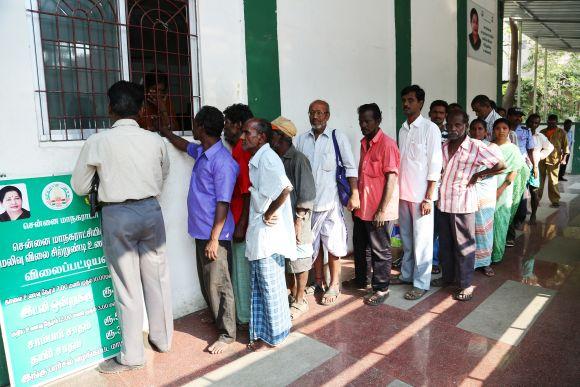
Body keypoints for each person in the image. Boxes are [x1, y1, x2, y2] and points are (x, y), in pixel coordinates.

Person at [71, 81, 173, 373]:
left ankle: (132, 356)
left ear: (110, 108)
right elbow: (164, 173)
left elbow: (79, 186)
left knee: (127, 287)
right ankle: (163, 339)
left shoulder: (97, 142)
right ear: (141, 109)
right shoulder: (154, 140)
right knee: (158, 279)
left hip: (118, 216)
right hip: (152, 211)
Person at [160, 106, 238, 355]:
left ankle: (227, 334)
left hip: (215, 234)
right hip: (201, 231)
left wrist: (214, 239)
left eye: (194, 123)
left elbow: (223, 203)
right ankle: (217, 318)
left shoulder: (222, 161)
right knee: (208, 281)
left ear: (202, 127)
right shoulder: (203, 152)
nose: (192, 127)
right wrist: (165, 131)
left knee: (220, 283)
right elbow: (184, 145)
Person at [432, 110, 504, 301]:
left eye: (458, 125)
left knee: (464, 246)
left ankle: (465, 284)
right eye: (450, 125)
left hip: (463, 204)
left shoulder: (475, 146)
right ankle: (448, 278)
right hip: (444, 203)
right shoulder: (444, 146)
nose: (453, 128)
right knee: (446, 245)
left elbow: (500, 165)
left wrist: (479, 175)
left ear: (465, 125)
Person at [296, 100, 359, 305]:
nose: (316, 117)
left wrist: (355, 194)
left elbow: (350, 167)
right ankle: (319, 281)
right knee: (312, 245)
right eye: (312, 113)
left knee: (333, 246)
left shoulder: (336, 137)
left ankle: (334, 284)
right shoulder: (302, 140)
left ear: (328, 116)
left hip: (330, 203)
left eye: (320, 113)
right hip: (308, 205)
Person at [241, 118, 295, 351]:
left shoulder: (268, 159)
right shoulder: (260, 157)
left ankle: (277, 335)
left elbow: (285, 187)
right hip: (261, 234)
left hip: (268, 235)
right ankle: (266, 334)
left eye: (247, 133)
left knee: (270, 287)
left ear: (261, 137)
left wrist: (269, 213)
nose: (243, 137)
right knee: (262, 285)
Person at [391, 85, 442, 299]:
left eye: (411, 100)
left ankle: (421, 283)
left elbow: (434, 164)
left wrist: (429, 197)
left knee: (422, 241)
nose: (406, 104)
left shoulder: (430, 128)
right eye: (404, 100)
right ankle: (406, 275)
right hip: (403, 194)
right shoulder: (403, 129)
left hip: (422, 197)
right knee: (406, 239)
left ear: (420, 103)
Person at [352, 103, 400, 303]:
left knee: (380, 250)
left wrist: (381, 210)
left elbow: (391, 179)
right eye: (361, 121)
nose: (363, 125)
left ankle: (382, 288)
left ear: (378, 121)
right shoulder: (364, 143)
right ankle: (362, 280)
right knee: (361, 246)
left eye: (367, 121)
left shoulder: (387, 144)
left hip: (379, 210)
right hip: (363, 208)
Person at [270, 116, 316, 320]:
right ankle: (292, 295)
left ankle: (300, 300)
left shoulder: (298, 159)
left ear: (280, 136)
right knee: (289, 259)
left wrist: (299, 221)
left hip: (298, 217)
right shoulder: (277, 158)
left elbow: (306, 194)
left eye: (272, 133)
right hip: (284, 219)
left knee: (301, 258)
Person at [223, 103, 254, 329]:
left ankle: (244, 318)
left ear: (237, 125)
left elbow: (247, 192)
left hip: (243, 222)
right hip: (239, 219)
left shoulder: (242, 151)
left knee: (242, 272)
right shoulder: (237, 148)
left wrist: (241, 225)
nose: (224, 128)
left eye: (226, 124)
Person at [491, 118, 530, 264]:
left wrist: (500, 190)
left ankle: (497, 254)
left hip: (504, 188)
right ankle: (485, 254)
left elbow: (514, 171)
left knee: (501, 219)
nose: (501, 131)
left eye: (504, 128)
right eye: (498, 128)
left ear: (509, 131)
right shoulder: (489, 146)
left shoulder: (513, 148)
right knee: (488, 221)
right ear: (493, 130)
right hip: (488, 186)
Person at [469, 118, 501, 276]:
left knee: (485, 228)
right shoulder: (466, 146)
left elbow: (500, 168)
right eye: (473, 129)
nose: (476, 132)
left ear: (486, 132)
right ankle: (471, 262)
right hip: (469, 192)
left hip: (485, 192)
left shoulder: (492, 147)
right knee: (470, 228)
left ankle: (486, 262)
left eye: (480, 129)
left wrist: (480, 175)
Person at [506, 107, 535, 247]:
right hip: (506, 169)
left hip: (522, 170)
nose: (518, 119)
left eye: (520, 116)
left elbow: (530, 150)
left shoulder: (526, 130)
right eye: (515, 116)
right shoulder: (502, 128)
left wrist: (534, 167)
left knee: (522, 201)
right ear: (509, 116)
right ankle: (509, 232)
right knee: (508, 202)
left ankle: (517, 220)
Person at [526, 113, 554, 224]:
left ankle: (533, 214)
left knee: (534, 192)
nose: (533, 124)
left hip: (534, 167)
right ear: (527, 121)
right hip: (522, 166)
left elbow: (550, 147)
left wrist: (540, 156)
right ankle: (520, 215)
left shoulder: (540, 136)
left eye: (536, 122)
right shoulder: (520, 133)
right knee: (520, 193)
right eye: (531, 121)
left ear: (538, 124)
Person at [539, 114, 569, 207]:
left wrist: (563, 159)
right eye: (549, 122)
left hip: (554, 160)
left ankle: (555, 200)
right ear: (547, 121)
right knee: (540, 179)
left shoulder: (562, 132)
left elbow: (565, 147)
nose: (551, 124)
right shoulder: (542, 132)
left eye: (553, 122)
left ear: (556, 122)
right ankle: (537, 197)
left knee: (553, 180)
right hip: (542, 159)